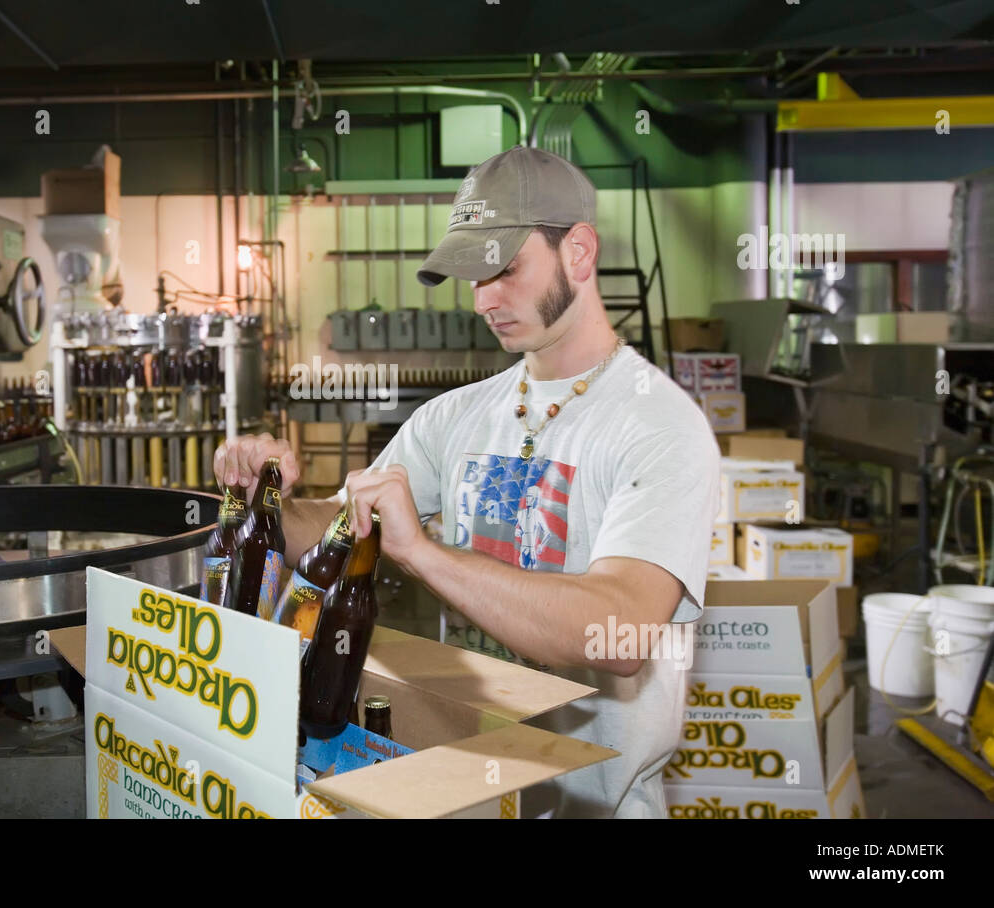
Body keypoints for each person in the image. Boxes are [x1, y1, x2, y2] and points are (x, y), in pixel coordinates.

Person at [215, 146, 720, 818]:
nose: (483, 299)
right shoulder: (453, 417)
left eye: (505, 270)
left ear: (578, 253)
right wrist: (267, 502)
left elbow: (619, 630)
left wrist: (424, 553)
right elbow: (338, 523)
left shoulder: (658, 425)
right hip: (472, 792)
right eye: (471, 277)